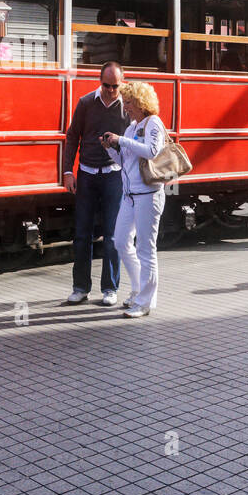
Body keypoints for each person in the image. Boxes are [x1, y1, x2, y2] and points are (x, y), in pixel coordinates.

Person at [61, 61, 130, 306]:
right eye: (106, 85)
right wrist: (68, 171)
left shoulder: (128, 107)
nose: (111, 90)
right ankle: (80, 287)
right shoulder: (86, 103)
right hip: (87, 173)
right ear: (99, 82)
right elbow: (72, 136)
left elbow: (136, 142)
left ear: (121, 83)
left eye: (115, 86)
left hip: (113, 174)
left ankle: (110, 288)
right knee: (82, 234)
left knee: (112, 235)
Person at [100, 81, 166, 319]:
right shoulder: (132, 127)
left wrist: (121, 140)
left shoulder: (153, 123)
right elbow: (124, 162)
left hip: (149, 194)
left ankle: (145, 301)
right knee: (120, 242)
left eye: (128, 102)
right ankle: (139, 290)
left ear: (140, 103)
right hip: (131, 195)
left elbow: (151, 151)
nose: (125, 107)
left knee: (146, 249)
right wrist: (110, 148)